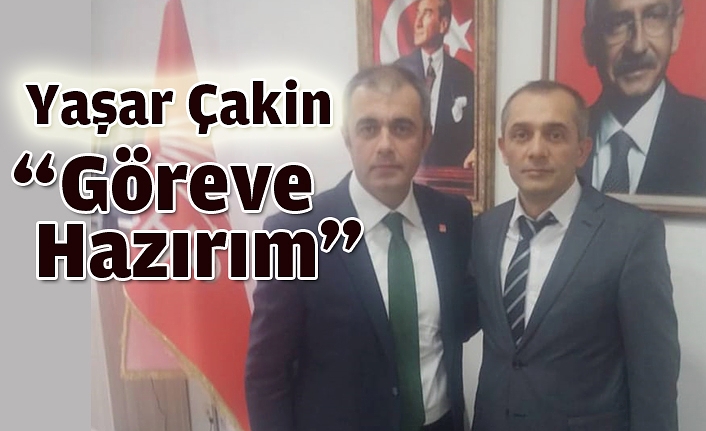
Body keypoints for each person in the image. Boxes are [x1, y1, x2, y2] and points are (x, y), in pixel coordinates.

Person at [245, 64, 478, 431]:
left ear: (425, 138)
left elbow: (456, 320)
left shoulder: (452, 216)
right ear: (347, 138)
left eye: (402, 127)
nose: (385, 145)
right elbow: (266, 375)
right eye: (368, 128)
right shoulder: (293, 232)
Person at [471, 80, 680, 431]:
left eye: (555, 135)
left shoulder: (632, 235)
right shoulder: (484, 229)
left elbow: (654, 374)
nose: (537, 150)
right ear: (504, 149)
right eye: (522, 135)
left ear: (582, 149)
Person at [580, 0, 706, 195]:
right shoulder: (563, 138)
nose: (638, 46)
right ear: (589, 45)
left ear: (675, 30)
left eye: (653, 17)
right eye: (617, 24)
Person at [394, 0, 475, 168]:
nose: (417, 23)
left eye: (427, 14)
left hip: (449, 175)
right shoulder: (398, 72)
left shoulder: (464, 76)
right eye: (418, 13)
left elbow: (473, 134)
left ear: (443, 25)